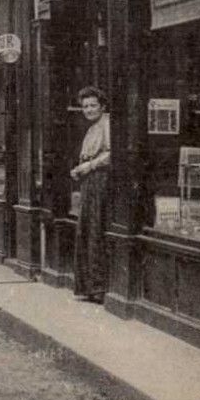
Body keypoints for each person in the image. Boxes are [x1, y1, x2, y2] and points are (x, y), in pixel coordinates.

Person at [71, 85, 110, 304]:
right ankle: (88, 287)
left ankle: (99, 288)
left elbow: (113, 154)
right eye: (85, 106)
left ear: (102, 106)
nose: (89, 109)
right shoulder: (92, 127)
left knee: (96, 231)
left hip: (101, 183)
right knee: (86, 231)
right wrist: (79, 170)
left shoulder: (107, 123)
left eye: (93, 105)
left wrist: (91, 166)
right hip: (89, 183)